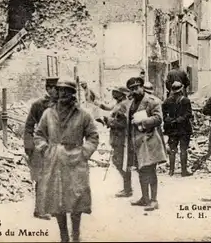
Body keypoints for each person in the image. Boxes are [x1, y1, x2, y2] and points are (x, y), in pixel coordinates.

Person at [33, 78, 99, 242]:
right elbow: (39, 134)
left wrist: (84, 152)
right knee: (57, 199)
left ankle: (75, 235)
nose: (62, 94)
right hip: (55, 160)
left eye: (66, 91)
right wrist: (45, 149)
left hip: (76, 160)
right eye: (60, 90)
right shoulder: (48, 113)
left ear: (72, 94)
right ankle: (64, 236)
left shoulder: (83, 114)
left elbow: (93, 136)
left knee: (77, 197)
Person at [125, 77, 167, 211]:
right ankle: (145, 198)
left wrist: (142, 121)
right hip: (136, 141)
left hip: (149, 140)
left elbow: (159, 118)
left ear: (142, 87)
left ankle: (154, 200)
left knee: (151, 170)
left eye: (137, 87)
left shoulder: (152, 101)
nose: (135, 91)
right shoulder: (131, 103)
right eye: (132, 89)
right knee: (141, 170)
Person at [23, 77, 59, 220]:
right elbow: (29, 126)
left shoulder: (64, 104)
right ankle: (40, 210)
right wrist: (29, 145)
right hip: (42, 145)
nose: (59, 92)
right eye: (56, 89)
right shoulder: (38, 105)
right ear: (48, 89)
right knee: (42, 178)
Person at [96, 86, 132, 197]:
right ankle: (127, 188)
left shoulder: (123, 105)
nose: (113, 94)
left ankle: (127, 189)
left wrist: (108, 121)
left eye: (115, 92)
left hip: (121, 137)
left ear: (121, 94)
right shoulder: (119, 103)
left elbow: (122, 123)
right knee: (119, 162)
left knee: (120, 162)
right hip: (117, 137)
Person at [162, 81, 194, 177]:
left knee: (172, 150)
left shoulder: (167, 101)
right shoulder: (185, 100)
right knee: (183, 149)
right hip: (184, 128)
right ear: (181, 90)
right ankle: (184, 171)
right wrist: (179, 120)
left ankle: (171, 171)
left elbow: (163, 116)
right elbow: (189, 114)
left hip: (172, 129)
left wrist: (170, 121)